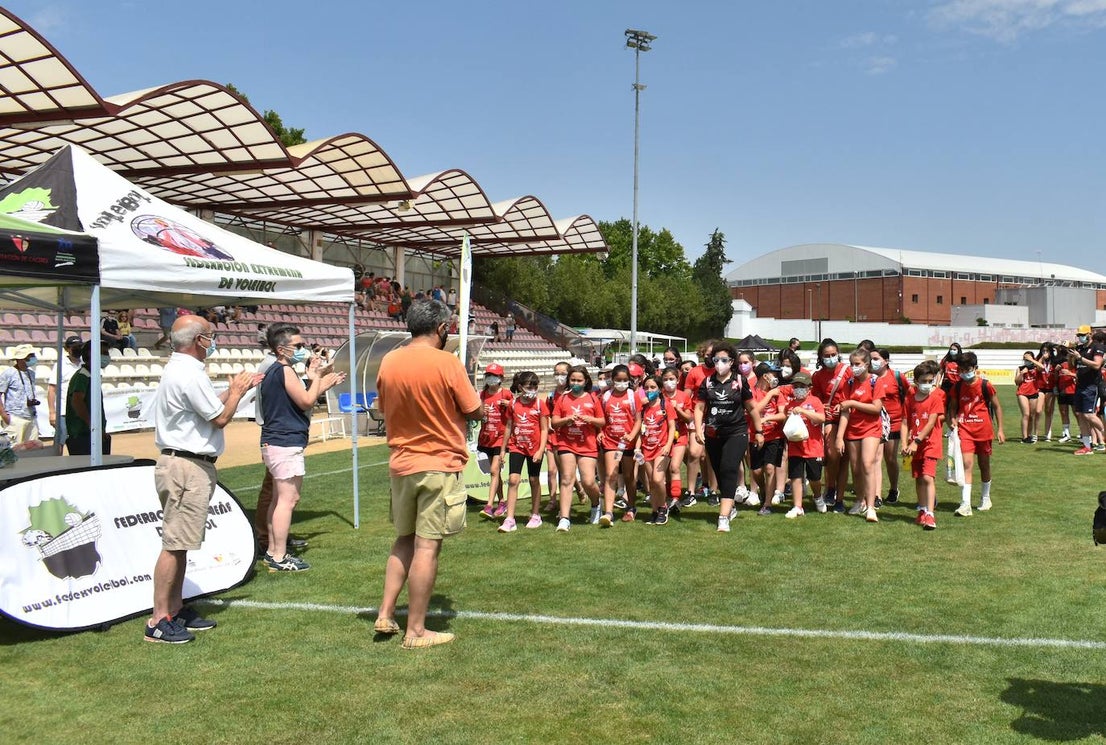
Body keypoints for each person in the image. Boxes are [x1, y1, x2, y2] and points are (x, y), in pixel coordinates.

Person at [375, 299, 482, 648]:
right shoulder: (446, 363)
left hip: (401, 462)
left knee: (403, 539)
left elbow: (381, 407)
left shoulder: (389, 360)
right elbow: (474, 408)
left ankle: (386, 613)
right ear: (441, 328)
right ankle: (416, 630)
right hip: (437, 463)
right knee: (427, 547)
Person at [145, 315, 258, 643]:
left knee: (181, 544)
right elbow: (220, 418)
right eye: (211, 335)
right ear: (199, 341)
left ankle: (175, 609)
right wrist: (237, 391)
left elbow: (208, 408)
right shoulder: (187, 372)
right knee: (175, 544)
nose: (214, 340)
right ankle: (158, 619)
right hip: (186, 467)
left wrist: (235, 391)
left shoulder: (184, 370)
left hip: (189, 465)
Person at [259, 324, 346, 572]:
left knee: (279, 500)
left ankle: (274, 552)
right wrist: (317, 377)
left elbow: (300, 401)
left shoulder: (280, 371)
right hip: (284, 442)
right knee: (288, 499)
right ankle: (278, 556)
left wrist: (319, 381)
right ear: (280, 348)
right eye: (297, 346)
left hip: (280, 441)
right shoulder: (283, 370)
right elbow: (307, 400)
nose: (303, 349)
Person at [693, 342, 764, 533]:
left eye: (724, 360)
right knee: (719, 471)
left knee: (729, 468)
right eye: (716, 360)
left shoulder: (739, 381)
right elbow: (699, 408)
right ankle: (730, 506)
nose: (719, 363)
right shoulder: (707, 383)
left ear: (732, 361)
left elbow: (751, 407)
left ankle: (723, 517)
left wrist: (758, 431)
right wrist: (698, 430)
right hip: (713, 434)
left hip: (736, 432)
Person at [947, 351, 1005, 515]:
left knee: (984, 465)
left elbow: (997, 407)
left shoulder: (986, 385)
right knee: (967, 464)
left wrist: (1000, 429)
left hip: (984, 431)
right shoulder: (957, 387)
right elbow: (952, 407)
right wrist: (952, 419)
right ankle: (965, 503)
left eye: (968, 369)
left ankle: (985, 497)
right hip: (965, 431)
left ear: (975, 368)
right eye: (961, 370)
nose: (965, 373)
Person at [834, 348, 888, 523]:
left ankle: (871, 507)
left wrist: (852, 402)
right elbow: (845, 412)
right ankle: (860, 500)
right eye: (851, 364)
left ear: (866, 364)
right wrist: (839, 437)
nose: (854, 367)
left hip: (871, 428)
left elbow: (876, 408)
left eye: (857, 364)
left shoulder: (875, 381)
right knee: (856, 468)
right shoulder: (848, 383)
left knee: (867, 464)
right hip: (852, 429)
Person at [550, 365, 604, 531]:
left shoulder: (593, 398)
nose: (575, 383)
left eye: (579, 380)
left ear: (585, 381)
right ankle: (564, 518)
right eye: (572, 380)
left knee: (588, 481)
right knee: (566, 478)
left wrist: (589, 419)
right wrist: (566, 420)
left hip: (587, 444)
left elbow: (602, 421)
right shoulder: (562, 399)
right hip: (566, 443)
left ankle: (596, 503)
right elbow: (554, 422)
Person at [497, 371, 549, 532]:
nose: (533, 389)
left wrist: (541, 450)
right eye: (529, 386)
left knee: (534, 480)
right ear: (520, 387)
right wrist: (503, 449)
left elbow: (544, 429)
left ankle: (535, 515)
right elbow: (508, 427)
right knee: (513, 480)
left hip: (535, 449)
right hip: (516, 446)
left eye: (535, 386)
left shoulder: (540, 404)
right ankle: (510, 519)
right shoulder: (513, 404)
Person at [900, 361, 944, 530]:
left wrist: (917, 441)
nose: (927, 385)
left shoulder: (935, 398)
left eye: (930, 381)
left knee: (927, 477)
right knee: (918, 478)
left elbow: (931, 422)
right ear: (916, 382)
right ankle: (922, 509)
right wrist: (905, 443)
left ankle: (930, 514)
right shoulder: (909, 399)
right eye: (924, 381)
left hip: (929, 444)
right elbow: (905, 422)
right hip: (912, 445)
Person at [598, 364, 641, 525]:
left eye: (624, 380)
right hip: (610, 441)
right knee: (611, 475)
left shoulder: (632, 396)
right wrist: (601, 431)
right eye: (618, 380)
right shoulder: (606, 396)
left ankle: (631, 507)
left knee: (629, 476)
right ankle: (608, 513)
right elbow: (602, 419)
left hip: (627, 443)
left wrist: (631, 435)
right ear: (612, 379)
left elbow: (638, 420)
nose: (621, 383)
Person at [811, 338, 850, 513]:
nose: (831, 358)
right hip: (829, 418)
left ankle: (839, 495)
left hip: (849, 417)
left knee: (845, 460)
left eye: (834, 354)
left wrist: (844, 404)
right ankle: (831, 487)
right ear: (821, 357)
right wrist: (823, 406)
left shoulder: (847, 371)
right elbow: (816, 398)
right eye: (827, 355)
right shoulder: (818, 376)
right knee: (832, 453)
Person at [779, 371, 825, 517]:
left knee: (815, 478)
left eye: (802, 386)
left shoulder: (815, 401)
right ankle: (798, 506)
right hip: (796, 447)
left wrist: (804, 411)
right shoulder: (790, 405)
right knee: (796, 476)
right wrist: (788, 417)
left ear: (809, 388)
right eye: (796, 386)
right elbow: (786, 425)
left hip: (813, 447)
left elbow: (821, 418)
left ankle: (817, 497)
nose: (798, 389)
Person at [637, 375, 676, 525]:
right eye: (646, 387)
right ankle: (654, 511)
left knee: (658, 479)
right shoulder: (644, 408)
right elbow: (642, 430)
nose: (649, 390)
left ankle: (663, 507)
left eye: (652, 387)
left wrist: (667, 445)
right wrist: (637, 448)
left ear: (659, 389)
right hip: (647, 448)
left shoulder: (666, 405)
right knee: (651, 483)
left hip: (662, 448)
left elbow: (672, 427)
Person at [871, 348, 908, 505]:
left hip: (894, 423)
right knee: (875, 459)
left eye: (876, 358)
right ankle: (876, 495)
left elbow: (908, 396)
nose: (873, 361)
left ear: (886, 360)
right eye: (871, 358)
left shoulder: (897, 377)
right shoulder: (870, 378)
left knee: (890, 458)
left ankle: (893, 489)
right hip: (875, 423)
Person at [64, 341, 112, 456]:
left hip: (90, 433)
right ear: (91, 353)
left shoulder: (91, 375)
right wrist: (92, 425)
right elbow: (77, 401)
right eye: (104, 353)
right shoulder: (83, 376)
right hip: (83, 434)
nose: (107, 356)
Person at [477, 363, 511, 520]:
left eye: (495, 375)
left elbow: (516, 411)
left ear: (501, 378)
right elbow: (477, 414)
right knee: (495, 473)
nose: (491, 378)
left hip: (501, 438)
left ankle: (489, 506)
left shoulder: (506, 394)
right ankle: (502, 501)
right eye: (489, 375)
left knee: (493, 471)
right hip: (486, 438)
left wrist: (509, 405)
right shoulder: (482, 394)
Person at [1069, 326, 1105, 455]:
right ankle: (1086, 447)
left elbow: (1097, 365)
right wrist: (1070, 355)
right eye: (1079, 335)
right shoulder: (1080, 348)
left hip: (1092, 386)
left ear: (1090, 334)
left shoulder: (1097, 347)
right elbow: (1072, 366)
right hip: (1080, 385)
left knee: (1089, 415)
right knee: (1081, 416)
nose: (1080, 337)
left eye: (1083, 334)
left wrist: (1080, 358)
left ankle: (1103, 436)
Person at [47, 335, 84, 451]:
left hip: (81, 410)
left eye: (79, 346)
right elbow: (52, 389)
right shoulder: (60, 365)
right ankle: (56, 463)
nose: (78, 349)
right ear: (67, 348)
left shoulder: (85, 363)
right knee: (60, 439)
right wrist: (52, 412)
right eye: (75, 347)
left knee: (79, 439)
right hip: (64, 411)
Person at [0, 344, 40, 444]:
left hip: (31, 417)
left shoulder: (31, 373)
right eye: (30, 355)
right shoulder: (8, 373)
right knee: (14, 450)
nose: (33, 357)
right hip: (15, 418)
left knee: (32, 451)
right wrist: (4, 415)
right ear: (21, 358)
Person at [1014, 350, 1045, 443]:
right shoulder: (1020, 368)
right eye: (1025, 358)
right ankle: (1024, 437)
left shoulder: (1036, 368)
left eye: (1028, 358)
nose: (1026, 360)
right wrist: (1022, 373)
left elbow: (1042, 367)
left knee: (1032, 415)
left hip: (1033, 393)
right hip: (1022, 393)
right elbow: (1016, 382)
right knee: (1026, 414)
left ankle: (1029, 435)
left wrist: (1033, 360)